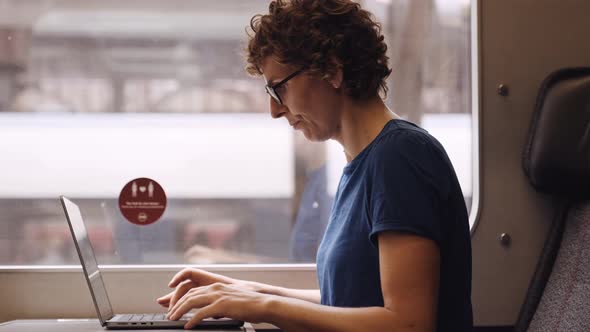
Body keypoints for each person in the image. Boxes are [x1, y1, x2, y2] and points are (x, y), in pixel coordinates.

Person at [156, 1, 473, 331]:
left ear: (332, 71)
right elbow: (349, 303)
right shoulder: (363, 163)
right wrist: (251, 292)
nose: (274, 110)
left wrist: (266, 306)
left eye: (280, 87)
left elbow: (407, 323)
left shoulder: (401, 157)